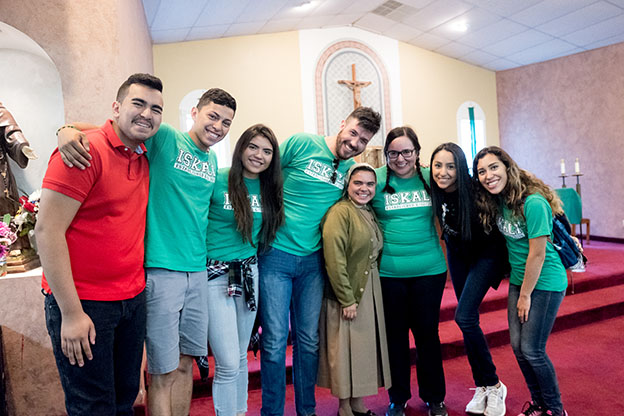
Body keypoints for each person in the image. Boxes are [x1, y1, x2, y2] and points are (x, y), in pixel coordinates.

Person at [56, 88, 237, 416]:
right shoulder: (166, 137)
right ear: (194, 112)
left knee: (186, 365)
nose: (218, 126)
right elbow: (110, 129)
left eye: (226, 122)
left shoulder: (211, 160)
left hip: (197, 269)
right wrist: (66, 130)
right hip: (160, 269)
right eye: (213, 116)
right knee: (163, 370)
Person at [36, 73, 163, 415]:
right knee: (93, 407)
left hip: (132, 300)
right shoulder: (83, 152)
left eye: (156, 108)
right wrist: (72, 313)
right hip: (87, 304)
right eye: (138, 103)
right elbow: (46, 231)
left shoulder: (143, 154)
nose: (146, 114)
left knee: (125, 399)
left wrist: (66, 126)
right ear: (116, 107)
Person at [259, 106, 381, 416]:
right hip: (276, 254)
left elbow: (365, 195)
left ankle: (307, 410)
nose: (354, 142)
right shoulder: (302, 143)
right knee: (273, 341)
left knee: (309, 341)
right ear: (342, 124)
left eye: (363, 140)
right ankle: (272, 411)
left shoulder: (350, 170)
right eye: (353, 133)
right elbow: (262, 173)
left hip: (312, 262)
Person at [473, 146, 568, 416]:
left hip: (545, 281)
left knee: (533, 349)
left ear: (506, 167)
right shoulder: (499, 200)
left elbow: (538, 253)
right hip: (520, 280)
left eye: (493, 167)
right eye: (482, 171)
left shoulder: (533, 202)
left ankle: (556, 410)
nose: (488, 175)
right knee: (518, 347)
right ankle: (539, 404)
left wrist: (525, 294)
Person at [203, 124, 284, 416]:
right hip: (215, 276)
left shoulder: (269, 189)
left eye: (267, 150)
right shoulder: (218, 178)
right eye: (253, 147)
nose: (259, 155)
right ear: (241, 148)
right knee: (225, 361)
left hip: (249, 274)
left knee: (239, 356)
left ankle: (239, 411)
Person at [370, 127, 448, 416]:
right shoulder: (375, 180)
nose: (400, 158)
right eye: (393, 153)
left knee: (428, 335)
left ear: (417, 152)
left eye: (407, 152)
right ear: (386, 154)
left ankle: (434, 397)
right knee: (396, 338)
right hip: (389, 274)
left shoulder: (431, 178)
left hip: (430, 271)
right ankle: (398, 398)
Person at [429, 143, 509, 416]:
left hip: (487, 255)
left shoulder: (476, 190)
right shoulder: (434, 191)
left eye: (451, 166)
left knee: (463, 316)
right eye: (438, 165)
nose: (443, 172)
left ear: (461, 168)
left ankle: (494, 384)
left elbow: (510, 193)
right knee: (468, 321)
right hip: (458, 254)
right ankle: (482, 385)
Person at [318, 163, 391, 416]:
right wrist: (346, 298)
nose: (364, 188)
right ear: (347, 185)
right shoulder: (340, 212)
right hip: (346, 292)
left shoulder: (367, 211)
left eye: (370, 184)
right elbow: (334, 258)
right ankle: (344, 407)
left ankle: (358, 403)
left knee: (362, 348)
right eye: (358, 183)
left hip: (369, 286)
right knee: (345, 350)